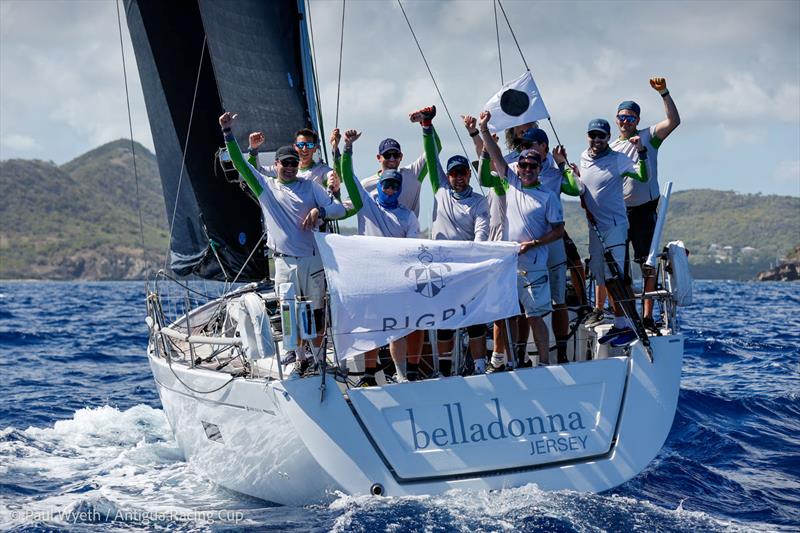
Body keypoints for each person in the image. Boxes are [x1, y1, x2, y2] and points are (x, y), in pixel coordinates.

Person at [218, 112, 346, 376]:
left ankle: (319, 359)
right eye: (285, 163)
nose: (289, 167)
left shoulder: (311, 187)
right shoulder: (265, 187)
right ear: (275, 164)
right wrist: (228, 132)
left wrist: (319, 213)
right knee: (290, 312)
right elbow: (242, 165)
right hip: (284, 261)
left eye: (293, 163)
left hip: (312, 260)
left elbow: (339, 209)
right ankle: (300, 358)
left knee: (316, 313)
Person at [588, 77, 680, 331]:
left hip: (643, 210)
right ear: (616, 120)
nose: (625, 121)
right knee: (616, 265)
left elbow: (674, 121)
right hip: (617, 213)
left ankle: (648, 316)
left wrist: (664, 93)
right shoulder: (611, 146)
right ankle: (614, 312)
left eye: (630, 118)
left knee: (646, 263)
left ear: (637, 120)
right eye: (621, 117)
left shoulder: (648, 137)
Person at [335, 128, 421, 386]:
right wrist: (347, 148)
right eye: (387, 184)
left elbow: (413, 248)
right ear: (380, 184)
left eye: (395, 185)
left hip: (396, 278)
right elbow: (348, 176)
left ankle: (402, 374)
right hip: (368, 277)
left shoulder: (408, 215)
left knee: (398, 328)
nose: (391, 189)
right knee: (370, 328)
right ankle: (369, 376)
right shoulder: (366, 203)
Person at [479, 110, 565, 366]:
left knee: (534, 316)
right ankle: (512, 361)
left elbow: (559, 230)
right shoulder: (511, 183)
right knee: (508, 314)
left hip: (535, 265)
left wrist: (535, 244)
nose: (526, 169)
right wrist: (483, 130)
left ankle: (546, 362)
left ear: (540, 168)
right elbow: (494, 155)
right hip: (510, 263)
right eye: (523, 165)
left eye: (532, 166)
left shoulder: (548, 196)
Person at [554, 118, 648, 347]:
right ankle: (619, 324)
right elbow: (581, 186)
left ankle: (630, 324)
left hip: (615, 226)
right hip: (594, 228)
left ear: (608, 137)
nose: (596, 140)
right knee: (602, 276)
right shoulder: (584, 157)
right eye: (592, 135)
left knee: (617, 277)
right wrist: (566, 166)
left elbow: (643, 176)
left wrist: (642, 153)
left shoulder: (618, 159)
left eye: (601, 136)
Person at [413, 106, 490, 375]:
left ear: (469, 174)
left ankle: (480, 366)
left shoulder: (480, 202)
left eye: (462, 173)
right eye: (454, 174)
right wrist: (427, 127)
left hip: (467, 267)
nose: (458, 177)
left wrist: (474, 253)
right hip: (441, 269)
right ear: (448, 176)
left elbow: (481, 233)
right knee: (445, 322)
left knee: (476, 321)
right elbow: (432, 159)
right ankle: (445, 371)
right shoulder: (440, 190)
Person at [521, 128, 581, 364]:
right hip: (528, 247)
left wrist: (563, 164)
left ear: (544, 146)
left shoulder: (556, 172)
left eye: (532, 143)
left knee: (559, 299)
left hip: (552, 240)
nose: (526, 148)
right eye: (524, 144)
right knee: (524, 299)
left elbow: (576, 189)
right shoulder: (520, 168)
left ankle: (563, 351)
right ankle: (520, 353)